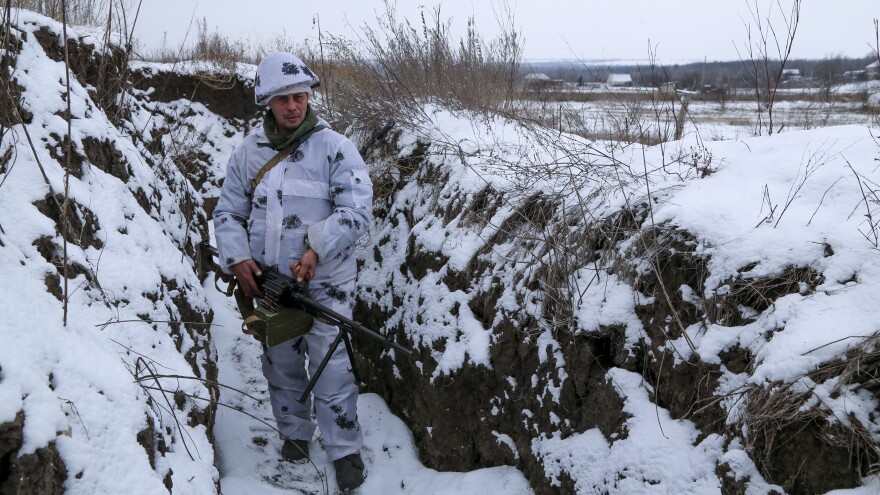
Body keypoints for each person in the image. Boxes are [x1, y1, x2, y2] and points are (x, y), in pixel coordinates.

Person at [213, 52, 373, 493]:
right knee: (280, 363)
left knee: (331, 366)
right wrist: (239, 257)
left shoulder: (335, 147)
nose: (292, 106)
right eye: (283, 98)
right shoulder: (249, 152)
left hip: (326, 283)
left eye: (299, 96)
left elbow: (357, 211)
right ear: (266, 101)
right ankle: (295, 436)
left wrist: (316, 250)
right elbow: (228, 212)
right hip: (270, 284)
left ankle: (343, 450)